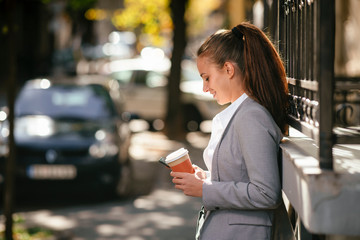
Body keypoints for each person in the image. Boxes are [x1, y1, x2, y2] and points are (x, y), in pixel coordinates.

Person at [170, 22, 294, 240]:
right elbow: (241, 177)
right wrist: (207, 179)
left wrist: (205, 190)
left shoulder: (251, 117)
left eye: (206, 77)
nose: (204, 88)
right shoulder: (239, 114)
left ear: (228, 69)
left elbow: (265, 193)